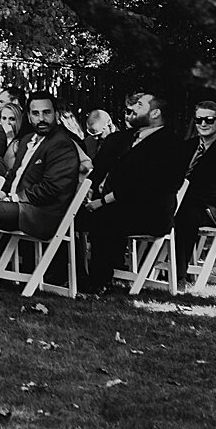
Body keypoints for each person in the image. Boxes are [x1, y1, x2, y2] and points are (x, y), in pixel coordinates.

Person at [80, 91, 188, 294]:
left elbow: (152, 185)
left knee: (104, 218)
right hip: (104, 203)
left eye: (139, 105)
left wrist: (103, 202)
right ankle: (69, 275)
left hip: (148, 210)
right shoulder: (118, 139)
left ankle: (98, 282)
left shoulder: (170, 144)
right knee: (66, 216)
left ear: (155, 113)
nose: (131, 108)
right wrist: (87, 190)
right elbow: (97, 170)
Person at [0, 92, 85, 239]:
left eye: (46, 113)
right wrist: (1, 192)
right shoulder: (27, 140)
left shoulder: (61, 144)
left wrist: (14, 198)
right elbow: (14, 175)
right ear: (28, 116)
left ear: (56, 114)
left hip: (41, 216)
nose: (41, 119)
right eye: (35, 113)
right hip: (20, 206)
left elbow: (51, 188)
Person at [173, 98, 216, 275]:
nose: (203, 124)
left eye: (209, 120)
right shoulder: (187, 147)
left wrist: (182, 195)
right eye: (199, 120)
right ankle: (140, 266)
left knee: (185, 213)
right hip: (179, 198)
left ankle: (177, 273)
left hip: (210, 207)